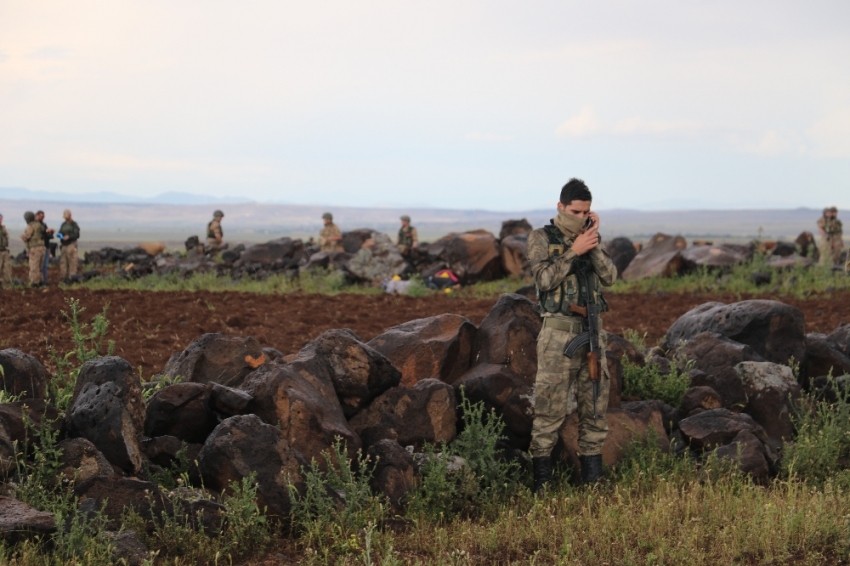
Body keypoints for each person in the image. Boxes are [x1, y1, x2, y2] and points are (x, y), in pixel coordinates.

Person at [527, 178, 617, 491]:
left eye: (586, 213)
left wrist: (591, 243)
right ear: (560, 207)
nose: (580, 217)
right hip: (557, 336)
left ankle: (593, 481)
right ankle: (543, 482)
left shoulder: (590, 238)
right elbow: (544, 280)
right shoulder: (542, 237)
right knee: (549, 409)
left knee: (594, 407)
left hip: (591, 334)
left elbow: (610, 277)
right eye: (575, 211)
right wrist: (572, 252)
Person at [20, 211, 46, 287]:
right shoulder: (39, 224)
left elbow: (27, 237)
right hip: (42, 247)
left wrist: (22, 236)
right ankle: (41, 282)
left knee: (34, 266)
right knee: (40, 267)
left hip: (35, 248)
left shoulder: (30, 226)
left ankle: (35, 283)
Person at [58, 209, 81, 280]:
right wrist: (60, 235)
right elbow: (60, 232)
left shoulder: (74, 225)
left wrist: (69, 236)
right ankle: (64, 277)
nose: (66, 218)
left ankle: (72, 277)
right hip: (64, 245)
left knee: (72, 261)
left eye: (67, 217)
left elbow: (77, 234)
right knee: (63, 262)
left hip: (71, 244)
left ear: (70, 216)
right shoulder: (63, 224)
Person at [35, 210, 55, 285]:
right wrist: (46, 231)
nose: (42, 218)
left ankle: (44, 282)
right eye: (41, 216)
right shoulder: (35, 225)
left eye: (43, 216)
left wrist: (51, 233)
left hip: (45, 247)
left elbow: (47, 237)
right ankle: (37, 281)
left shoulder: (43, 224)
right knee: (38, 265)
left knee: (45, 265)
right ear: (36, 216)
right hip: (38, 247)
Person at [0, 213, 11, 287]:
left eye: (1, 219)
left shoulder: (3, 228)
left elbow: (7, 236)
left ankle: (6, 284)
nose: (1, 220)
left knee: (7, 268)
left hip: (4, 250)